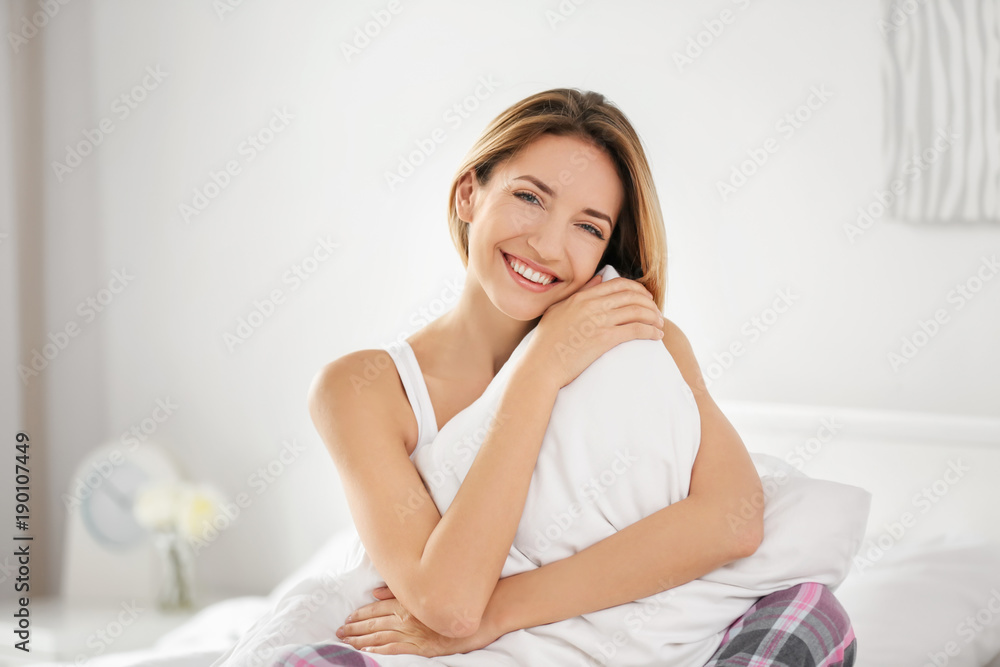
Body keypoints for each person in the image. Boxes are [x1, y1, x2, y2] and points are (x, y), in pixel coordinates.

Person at [305, 88, 856, 665]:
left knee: (813, 614)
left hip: (646, 640)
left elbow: (734, 523)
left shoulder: (641, 339)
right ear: (469, 193)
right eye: (529, 197)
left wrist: (500, 612)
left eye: (588, 228)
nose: (547, 246)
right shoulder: (362, 389)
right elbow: (450, 605)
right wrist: (539, 370)